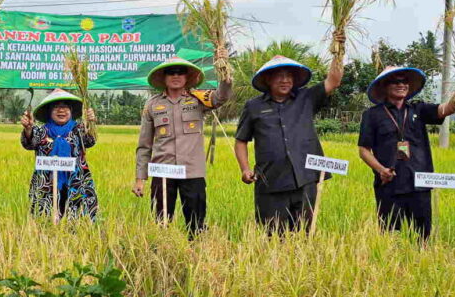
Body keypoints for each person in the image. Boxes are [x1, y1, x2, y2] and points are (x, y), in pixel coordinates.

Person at [234, 53, 343, 234]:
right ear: (268, 79)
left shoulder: (306, 98)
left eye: (289, 76)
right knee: (272, 236)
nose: (285, 80)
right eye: (279, 76)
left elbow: (334, 81)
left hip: (305, 179)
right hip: (271, 180)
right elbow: (240, 141)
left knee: (304, 234)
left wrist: (338, 50)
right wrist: (245, 169)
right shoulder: (254, 106)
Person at [358, 66, 455, 240]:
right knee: (390, 237)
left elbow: (446, 109)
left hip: (420, 184)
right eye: (396, 81)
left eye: (404, 81)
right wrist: (381, 170)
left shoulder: (418, 109)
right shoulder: (372, 115)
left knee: (422, 236)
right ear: (385, 86)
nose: (401, 84)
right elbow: (364, 150)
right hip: (390, 184)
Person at [133, 50, 232, 238]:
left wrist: (224, 70)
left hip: (192, 171)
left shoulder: (198, 99)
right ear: (164, 77)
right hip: (162, 171)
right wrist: (140, 179)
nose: (176, 76)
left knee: (196, 221)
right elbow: (144, 145)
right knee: (161, 222)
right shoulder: (152, 105)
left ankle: (197, 255)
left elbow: (222, 97)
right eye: (171, 72)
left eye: (180, 72)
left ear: (187, 77)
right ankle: (163, 255)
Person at [20, 89, 98, 221]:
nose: (61, 110)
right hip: (46, 184)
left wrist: (91, 123)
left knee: (77, 223)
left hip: (76, 184)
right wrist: (28, 129)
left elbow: (90, 141)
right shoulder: (41, 131)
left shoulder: (78, 129)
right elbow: (29, 144)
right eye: (56, 107)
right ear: (49, 111)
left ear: (71, 111)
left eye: (65, 106)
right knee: (45, 222)